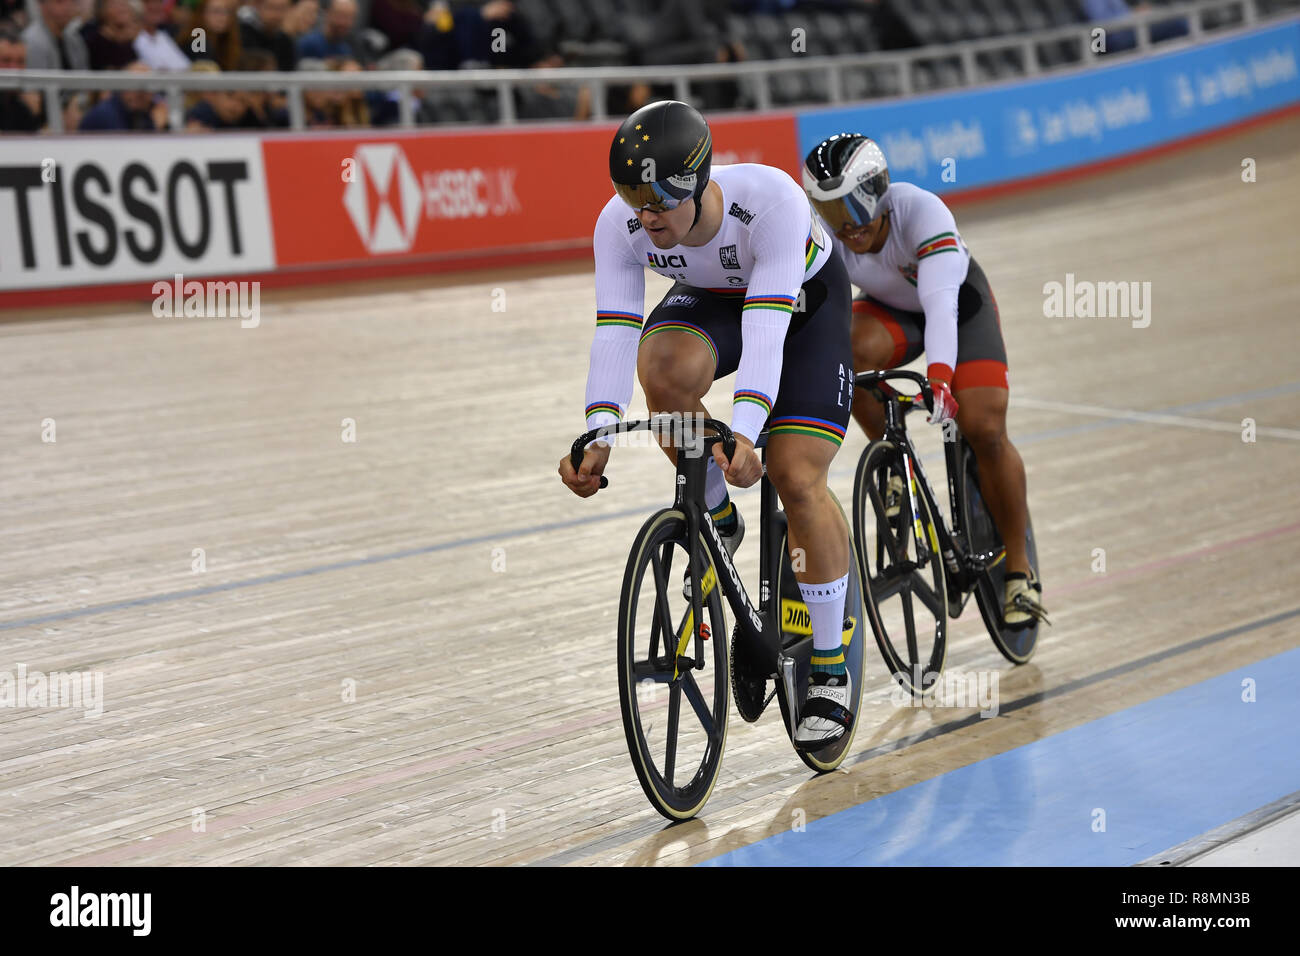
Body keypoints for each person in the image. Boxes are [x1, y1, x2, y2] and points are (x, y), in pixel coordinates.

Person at [559, 101, 858, 749]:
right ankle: (718, 513)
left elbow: (767, 330)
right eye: (631, 196)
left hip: (802, 307)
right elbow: (615, 329)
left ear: (697, 181)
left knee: (796, 476)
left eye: (661, 197)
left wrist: (746, 429)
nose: (646, 214)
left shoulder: (771, 202)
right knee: (660, 369)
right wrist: (597, 435)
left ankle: (831, 669)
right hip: (716, 300)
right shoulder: (622, 226)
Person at [801, 133, 1048, 629]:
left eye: (850, 206)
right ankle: (894, 460)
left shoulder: (921, 211)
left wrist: (939, 381)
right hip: (893, 314)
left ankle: (1020, 572)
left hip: (958, 307)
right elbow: (810, 319)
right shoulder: (826, 237)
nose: (844, 225)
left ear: (876, 191)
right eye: (828, 211)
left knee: (984, 428)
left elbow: (940, 306)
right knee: (845, 356)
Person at [78, 59, 165, 129]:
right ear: (123, 87)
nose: (141, 94)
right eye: (136, 87)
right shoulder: (106, 114)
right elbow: (127, 148)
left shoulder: (139, 114)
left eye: (146, 90)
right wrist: (156, 126)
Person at [21, 0, 90, 70]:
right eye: (59, 1)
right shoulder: (31, 42)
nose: (68, 7)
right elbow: (38, 80)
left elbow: (84, 77)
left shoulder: (75, 40)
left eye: (72, 1)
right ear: (42, 5)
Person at [0, 25, 44, 132]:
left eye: (20, 62)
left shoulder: (24, 104)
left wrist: (35, 114)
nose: (14, 69)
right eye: (6, 60)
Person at [238, 0, 297, 72]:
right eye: (271, 8)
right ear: (257, 7)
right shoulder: (242, 33)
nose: (277, 15)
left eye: (282, 8)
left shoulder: (285, 38)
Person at [133, 0, 191, 71]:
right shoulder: (133, 37)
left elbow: (184, 65)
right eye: (148, 2)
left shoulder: (163, 35)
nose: (156, 5)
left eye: (159, 2)